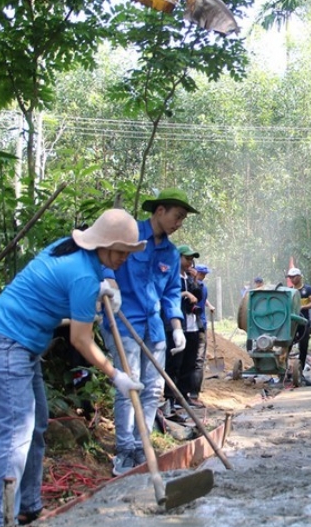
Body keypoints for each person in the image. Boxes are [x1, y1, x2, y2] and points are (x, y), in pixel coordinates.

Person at [0, 209, 145, 527]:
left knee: (35, 428)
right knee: (16, 434)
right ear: (103, 245)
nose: (124, 259)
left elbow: (59, 294)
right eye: (121, 251)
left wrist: (103, 287)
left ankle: (28, 508)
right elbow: (81, 340)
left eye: (128, 252)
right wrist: (116, 374)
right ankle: (3, 519)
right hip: (2, 344)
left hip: (20, 347)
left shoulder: (72, 250)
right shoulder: (82, 275)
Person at [102, 188, 197, 476]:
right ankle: (125, 450)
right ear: (159, 211)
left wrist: (177, 327)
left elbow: (170, 293)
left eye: (182, 219)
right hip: (123, 322)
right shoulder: (129, 235)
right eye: (176, 216)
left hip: (154, 328)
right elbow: (104, 260)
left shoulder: (170, 252)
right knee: (129, 386)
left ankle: (142, 445)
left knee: (152, 389)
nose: (178, 223)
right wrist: (108, 282)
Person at [164, 245, 204, 409]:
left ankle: (184, 395)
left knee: (189, 362)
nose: (190, 262)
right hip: (175, 325)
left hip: (192, 325)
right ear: (177, 257)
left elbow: (199, 297)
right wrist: (185, 294)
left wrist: (194, 281)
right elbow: (165, 296)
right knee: (174, 363)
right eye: (187, 258)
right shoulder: (170, 276)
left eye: (191, 259)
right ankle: (170, 398)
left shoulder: (188, 278)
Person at [287, 267, 311, 371]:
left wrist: (303, 306)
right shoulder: (290, 290)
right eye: (290, 277)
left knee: (303, 346)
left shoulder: (307, 289)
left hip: (304, 322)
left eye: (293, 277)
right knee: (287, 344)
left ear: (299, 277)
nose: (291, 279)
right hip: (292, 323)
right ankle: (284, 368)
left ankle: (301, 369)